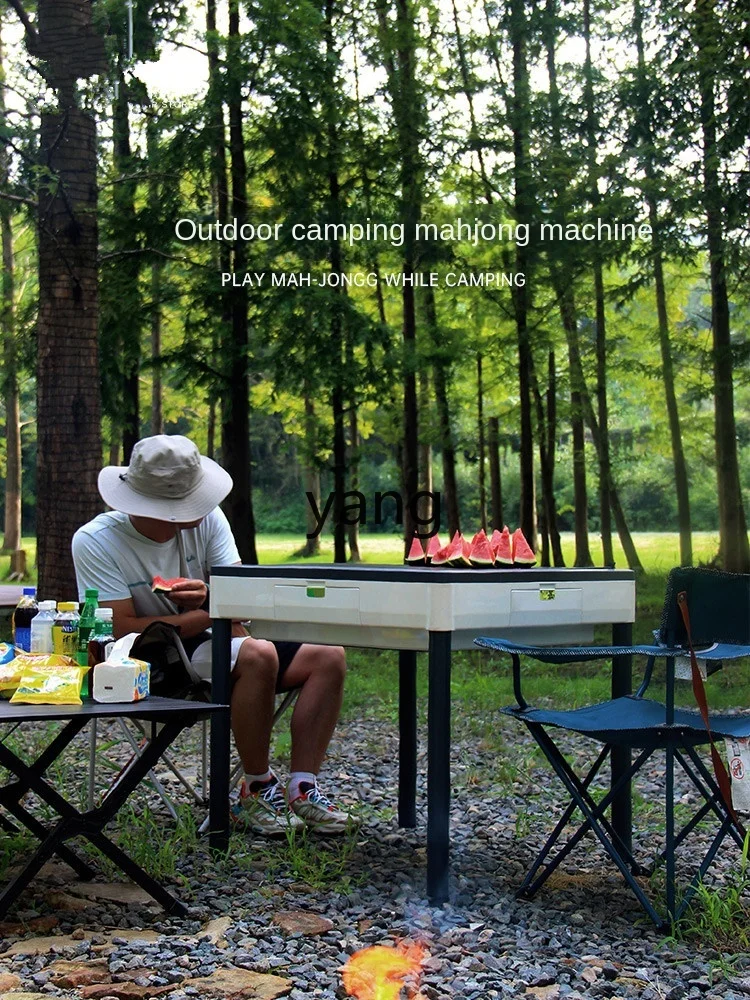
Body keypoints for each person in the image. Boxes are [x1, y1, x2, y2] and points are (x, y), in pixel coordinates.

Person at [72, 434, 354, 836]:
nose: (200, 509)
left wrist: (210, 598)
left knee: (329, 656)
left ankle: (301, 788)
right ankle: (255, 789)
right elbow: (120, 630)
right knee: (258, 655)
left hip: (216, 640)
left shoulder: (209, 519)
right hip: (146, 662)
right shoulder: (96, 541)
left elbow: (244, 602)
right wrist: (213, 613)